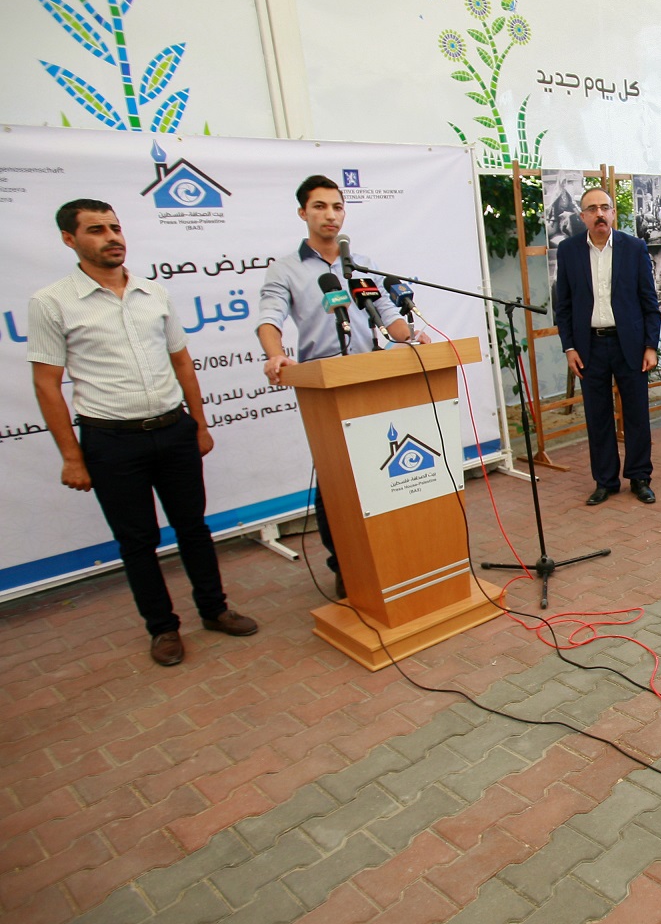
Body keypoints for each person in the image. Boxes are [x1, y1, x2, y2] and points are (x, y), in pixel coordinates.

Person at [30, 200, 257, 667]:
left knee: (193, 528)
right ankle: (163, 629)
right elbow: (46, 384)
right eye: (96, 230)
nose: (112, 237)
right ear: (69, 239)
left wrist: (199, 424)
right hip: (111, 442)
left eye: (115, 227)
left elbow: (182, 363)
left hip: (174, 431)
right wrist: (72, 457)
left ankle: (214, 610)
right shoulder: (51, 303)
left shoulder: (153, 293)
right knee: (137, 541)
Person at [257, 175, 424, 595]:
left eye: (337, 206)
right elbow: (269, 319)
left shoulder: (359, 265)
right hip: (325, 385)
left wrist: (413, 336)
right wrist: (275, 354)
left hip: (371, 378)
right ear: (303, 213)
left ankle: (388, 551)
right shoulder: (285, 269)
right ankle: (343, 563)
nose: (330, 215)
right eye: (320, 206)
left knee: (381, 468)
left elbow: (387, 315)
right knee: (336, 481)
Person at [552, 187, 661, 505]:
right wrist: (569, 348)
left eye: (604, 207)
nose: (599, 214)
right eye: (592, 209)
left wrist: (650, 346)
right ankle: (605, 481)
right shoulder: (569, 251)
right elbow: (564, 306)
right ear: (582, 216)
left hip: (630, 345)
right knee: (597, 416)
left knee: (636, 414)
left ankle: (639, 477)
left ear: (613, 213)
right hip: (590, 347)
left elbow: (649, 302)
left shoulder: (634, 247)